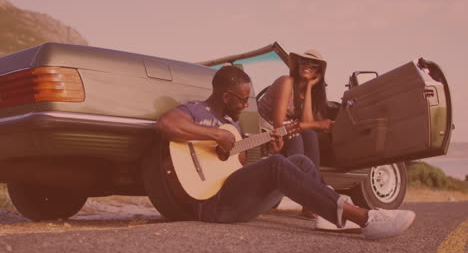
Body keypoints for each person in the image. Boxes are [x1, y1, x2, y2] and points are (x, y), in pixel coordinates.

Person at [155, 65, 415, 240]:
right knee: (278, 164)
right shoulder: (197, 111)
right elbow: (166, 124)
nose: (247, 105)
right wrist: (215, 135)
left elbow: (236, 167)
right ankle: (364, 218)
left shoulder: (231, 125)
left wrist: (270, 147)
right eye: (243, 100)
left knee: (298, 161)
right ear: (225, 97)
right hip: (208, 205)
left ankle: (327, 216)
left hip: (228, 198)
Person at [257, 49, 331, 219]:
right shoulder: (286, 82)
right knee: (296, 134)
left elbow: (306, 122)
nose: (307, 66)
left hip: (286, 129)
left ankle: (308, 204)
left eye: (313, 65)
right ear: (297, 65)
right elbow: (278, 123)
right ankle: (307, 194)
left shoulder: (306, 92)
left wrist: (310, 87)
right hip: (264, 128)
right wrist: (318, 124)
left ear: (318, 72)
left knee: (310, 134)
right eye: (304, 62)